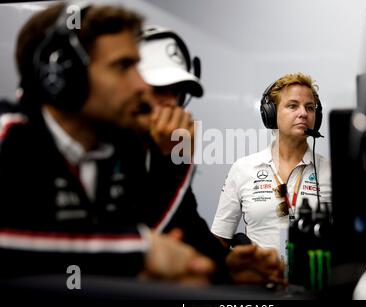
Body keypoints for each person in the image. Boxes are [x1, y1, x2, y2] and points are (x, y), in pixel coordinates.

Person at [0, 3, 214, 284]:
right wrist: (139, 250)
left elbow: (147, 243)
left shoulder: (116, 148)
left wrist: (223, 269)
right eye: (123, 66)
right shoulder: (9, 135)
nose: (141, 85)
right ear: (62, 75)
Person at [136, 26, 285, 285]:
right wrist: (175, 161)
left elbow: (188, 226)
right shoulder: (112, 152)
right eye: (160, 90)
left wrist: (226, 263)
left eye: (177, 91)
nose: (171, 103)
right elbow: (147, 239)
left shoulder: (157, 150)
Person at [211, 73, 332, 255]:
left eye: (310, 108)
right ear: (271, 114)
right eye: (292, 106)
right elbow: (220, 240)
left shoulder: (333, 172)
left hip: (315, 279)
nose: (303, 113)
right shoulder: (243, 169)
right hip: (259, 281)